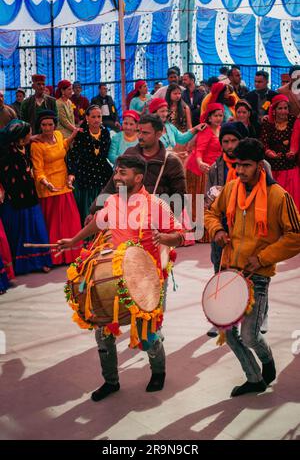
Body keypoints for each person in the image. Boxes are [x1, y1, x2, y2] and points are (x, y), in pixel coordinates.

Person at [57, 155, 185, 401]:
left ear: (138, 178)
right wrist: (73, 241)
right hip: (117, 274)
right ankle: (111, 381)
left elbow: (180, 234)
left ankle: (158, 372)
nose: (116, 177)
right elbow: (98, 223)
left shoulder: (156, 205)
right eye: (116, 172)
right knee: (103, 334)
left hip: (148, 276)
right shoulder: (113, 201)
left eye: (122, 173)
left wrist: (165, 238)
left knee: (148, 336)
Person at [205, 138, 300, 397]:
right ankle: (254, 377)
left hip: (258, 273)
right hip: (230, 270)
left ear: (260, 165)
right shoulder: (231, 188)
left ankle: (266, 361)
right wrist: (219, 230)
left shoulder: (278, 195)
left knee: (249, 336)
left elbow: (296, 235)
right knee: (228, 331)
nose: (240, 171)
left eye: (246, 166)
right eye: (237, 166)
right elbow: (211, 213)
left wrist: (264, 257)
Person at [205, 122, 272, 337]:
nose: (230, 145)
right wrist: (216, 228)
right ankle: (222, 317)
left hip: (253, 231)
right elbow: (209, 201)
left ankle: (262, 314)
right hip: (224, 232)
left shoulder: (263, 167)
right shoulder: (216, 167)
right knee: (221, 272)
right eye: (225, 141)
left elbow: (269, 198)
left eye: (234, 140)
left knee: (257, 277)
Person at [89, 114, 187, 218]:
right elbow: (112, 185)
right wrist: (93, 211)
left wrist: (161, 220)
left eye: (145, 133)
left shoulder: (171, 161)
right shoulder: (129, 154)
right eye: (139, 132)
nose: (140, 136)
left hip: (156, 224)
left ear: (158, 134)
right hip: (127, 219)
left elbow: (180, 198)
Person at [0, 120, 52, 274]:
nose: (31, 135)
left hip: (30, 196)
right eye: (28, 133)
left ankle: (41, 261)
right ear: (21, 136)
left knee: (37, 230)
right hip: (15, 200)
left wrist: (33, 137)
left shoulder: (25, 146)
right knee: (20, 233)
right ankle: (23, 265)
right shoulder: (6, 153)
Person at [30, 111, 82, 265]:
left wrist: (73, 135)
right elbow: (38, 170)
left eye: (50, 125)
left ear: (55, 125)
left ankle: (71, 255)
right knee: (52, 225)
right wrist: (46, 183)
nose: (47, 128)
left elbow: (64, 146)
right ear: (40, 126)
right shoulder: (36, 145)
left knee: (69, 222)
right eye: (44, 125)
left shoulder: (59, 135)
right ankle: (55, 257)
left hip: (65, 185)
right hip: (48, 189)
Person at [67, 105, 113, 225]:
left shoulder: (105, 132)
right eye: (93, 117)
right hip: (85, 174)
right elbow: (74, 155)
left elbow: (105, 154)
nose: (96, 120)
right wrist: (71, 173)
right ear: (87, 118)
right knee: (88, 207)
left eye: (99, 116)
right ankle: (88, 236)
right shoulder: (81, 133)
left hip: (102, 173)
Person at [185, 103, 224, 238]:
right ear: (209, 117)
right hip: (198, 170)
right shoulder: (206, 130)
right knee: (200, 201)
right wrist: (200, 162)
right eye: (216, 116)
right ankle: (199, 233)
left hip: (212, 170)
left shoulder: (221, 129)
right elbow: (199, 151)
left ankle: (209, 231)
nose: (218, 118)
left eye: (220, 115)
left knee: (210, 201)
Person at [260, 94, 300, 210]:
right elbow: (264, 143)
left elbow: (296, 140)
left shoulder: (294, 121)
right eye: (280, 108)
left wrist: (293, 152)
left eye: (286, 108)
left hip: (291, 169)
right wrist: (269, 152)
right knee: (276, 204)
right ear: (274, 110)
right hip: (274, 170)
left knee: (293, 203)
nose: (283, 111)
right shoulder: (268, 124)